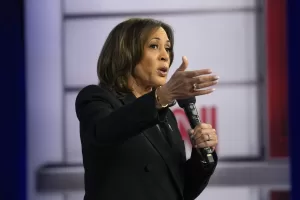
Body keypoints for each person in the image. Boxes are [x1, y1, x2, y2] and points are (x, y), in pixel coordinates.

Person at [75, 18, 219, 200]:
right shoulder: (96, 98)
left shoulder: (165, 116)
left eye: (167, 48)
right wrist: (160, 98)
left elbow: (180, 191)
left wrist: (201, 153)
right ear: (126, 52)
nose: (165, 55)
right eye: (153, 46)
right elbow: (104, 132)